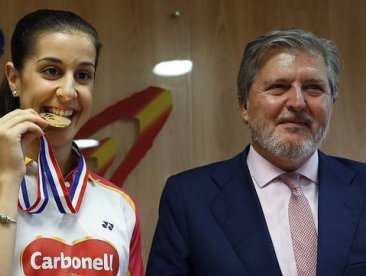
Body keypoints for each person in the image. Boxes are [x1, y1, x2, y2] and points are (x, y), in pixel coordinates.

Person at [147, 28, 366, 275]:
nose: (297, 102)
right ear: (245, 106)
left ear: (332, 101)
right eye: (278, 87)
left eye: (314, 87)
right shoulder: (189, 199)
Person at [0, 9, 143, 275]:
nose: (68, 91)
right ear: (14, 78)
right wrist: (7, 178)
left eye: (83, 75)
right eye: (52, 71)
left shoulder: (120, 204)